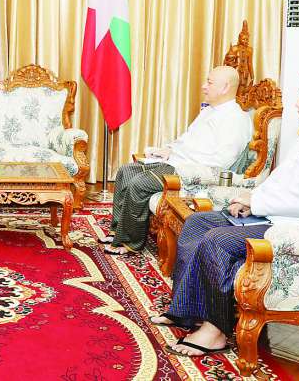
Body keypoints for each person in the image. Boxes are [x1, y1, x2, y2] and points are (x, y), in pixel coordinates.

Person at [155, 67, 299, 357]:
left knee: (217, 240)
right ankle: (187, 310)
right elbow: (280, 181)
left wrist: (258, 203)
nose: (297, 103)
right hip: (279, 215)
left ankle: (215, 331)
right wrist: (251, 199)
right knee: (198, 222)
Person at [103, 65, 253, 255]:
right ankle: (118, 231)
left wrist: (183, 159)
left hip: (191, 171)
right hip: (175, 161)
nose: (204, 86)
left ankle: (128, 243)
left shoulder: (236, 119)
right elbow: (187, 139)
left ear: (225, 87)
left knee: (140, 183)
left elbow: (223, 160)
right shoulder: (209, 110)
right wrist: (169, 150)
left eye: (209, 82)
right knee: (125, 171)